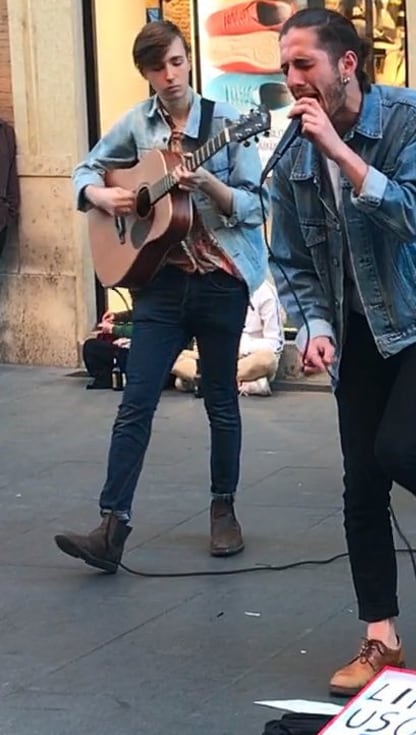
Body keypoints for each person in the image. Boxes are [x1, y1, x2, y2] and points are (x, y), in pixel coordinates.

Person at [267, 8, 416, 696]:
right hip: (359, 326)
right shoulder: (290, 158)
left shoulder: (413, 119)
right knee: (361, 482)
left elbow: (415, 212)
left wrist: (340, 151)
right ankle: (381, 639)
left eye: (303, 64)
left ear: (346, 64)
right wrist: (313, 326)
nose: (292, 80)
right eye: (284, 67)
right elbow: (291, 258)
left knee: (398, 447)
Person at [55, 20, 267, 571]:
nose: (169, 76)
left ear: (188, 59)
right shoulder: (138, 124)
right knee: (135, 402)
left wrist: (211, 187)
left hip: (221, 280)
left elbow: (255, 204)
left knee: (220, 400)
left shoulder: (226, 124)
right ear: (145, 74)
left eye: (175, 62)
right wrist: (106, 195)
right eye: (157, 68)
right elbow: (84, 170)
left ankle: (224, 511)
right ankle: (111, 527)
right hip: (161, 282)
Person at [172, 278, 285, 397]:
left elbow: (276, 344)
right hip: (214, 354)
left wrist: (240, 348)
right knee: (172, 355)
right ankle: (242, 382)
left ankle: (202, 381)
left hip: (248, 358)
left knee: (267, 359)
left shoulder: (265, 291)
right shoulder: (212, 286)